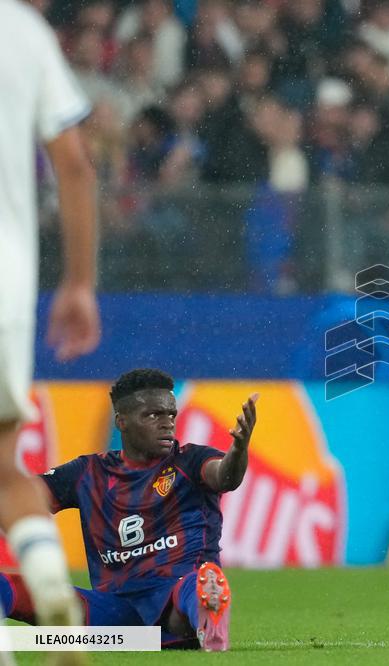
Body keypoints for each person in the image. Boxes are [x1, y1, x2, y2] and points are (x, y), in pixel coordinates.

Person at [0, 369, 259, 651]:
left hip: (174, 602)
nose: (167, 424)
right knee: (12, 586)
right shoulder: (88, 472)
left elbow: (225, 476)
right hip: (114, 616)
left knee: (195, 584)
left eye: (171, 415)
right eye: (153, 415)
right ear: (121, 422)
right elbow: (18, 500)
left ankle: (208, 618)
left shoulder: (191, 460)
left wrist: (238, 449)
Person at [0, 0, 101, 639]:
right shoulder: (22, 31)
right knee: (3, 468)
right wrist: (80, 283)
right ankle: (49, 591)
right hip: (6, 280)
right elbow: (74, 163)